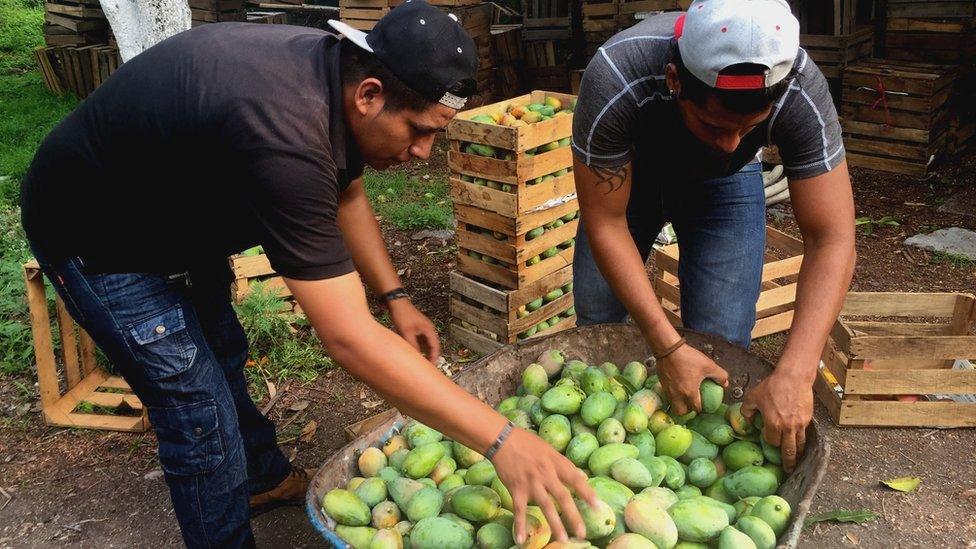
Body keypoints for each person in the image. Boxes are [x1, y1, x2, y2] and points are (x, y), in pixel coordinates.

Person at [20, 2, 595, 546]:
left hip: (173, 213)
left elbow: (345, 192)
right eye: (420, 131)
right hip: (95, 236)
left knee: (219, 350)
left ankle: (261, 477)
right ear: (370, 95)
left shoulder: (336, 80)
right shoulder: (284, 134)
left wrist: (395, 298)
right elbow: (346, 337)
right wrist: (501, 440)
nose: (424, 153)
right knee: (198, 416)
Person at [571, 0, 856, 472]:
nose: (728, 143)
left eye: (749, 128)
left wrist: (797, 370)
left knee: (721, 342)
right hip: (631, 178)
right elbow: (606, 222)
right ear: (674, 79)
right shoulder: (618, 76)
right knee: (599, 317)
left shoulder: (799, 91)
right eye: (713, 124)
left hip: (729, 185)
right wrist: (666, 346)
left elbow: (833, 238)